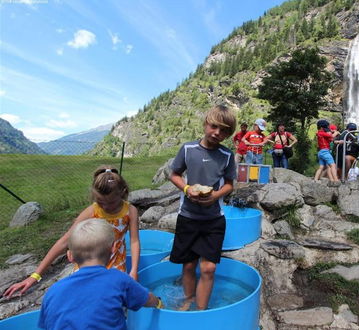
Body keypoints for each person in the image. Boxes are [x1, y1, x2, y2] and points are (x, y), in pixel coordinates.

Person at [3, 165, 140, 299]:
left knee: (112, 299)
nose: (105, 207)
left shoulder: (130, 211)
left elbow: (134, 241)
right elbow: (64, 242)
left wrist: (133, 270)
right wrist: (35, 276)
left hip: (115, 265)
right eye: (100, 202)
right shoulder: (93, 211)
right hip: (88, 265)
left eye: (111, 203)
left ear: (123, 192)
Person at [169, 105, 237, 311]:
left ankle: (201, 310)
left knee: (208, 268)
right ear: (205, 124)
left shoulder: (227, 155)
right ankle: (189, 299)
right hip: (188, 217)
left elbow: (229, 184)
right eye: (214, 126)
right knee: (189, 264)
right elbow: (174, 174)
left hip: (213, 219)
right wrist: (188, 189)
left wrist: (215, 195)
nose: (217, 133)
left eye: (224, 130)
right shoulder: (188, 149)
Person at [38, 219, 161, 330]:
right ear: (113, 248)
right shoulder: (118, 280)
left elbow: (46, 325)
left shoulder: (53, 291)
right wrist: (159, 303)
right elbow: (147, 299)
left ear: (70, 256)